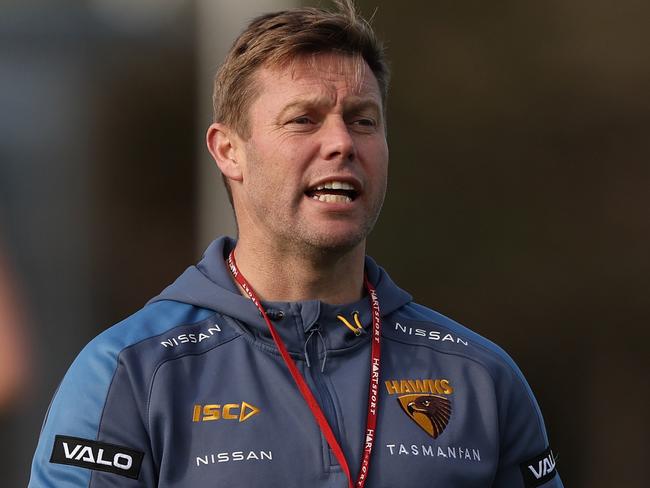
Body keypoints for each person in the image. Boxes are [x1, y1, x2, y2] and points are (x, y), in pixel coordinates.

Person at [29, 1, 563, 486]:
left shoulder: (481, 379)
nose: (342, 143)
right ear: (229, 151)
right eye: (303, 120)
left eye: (363, 121)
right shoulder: (128, 374)